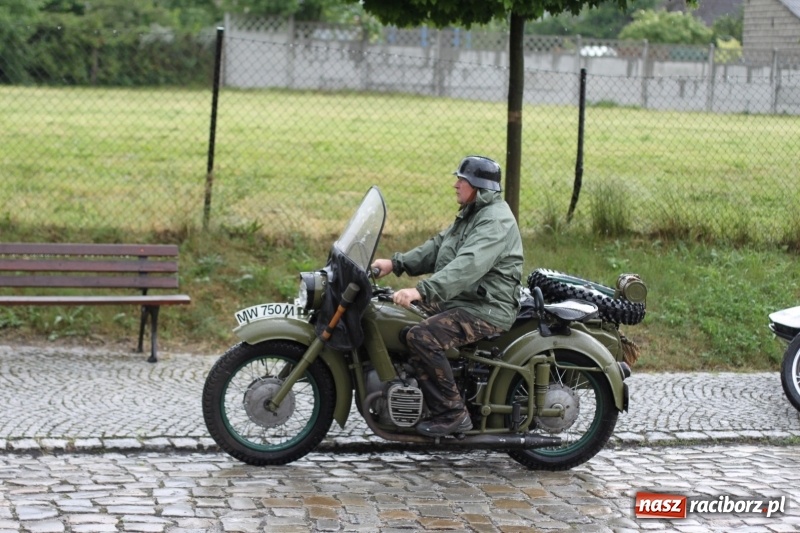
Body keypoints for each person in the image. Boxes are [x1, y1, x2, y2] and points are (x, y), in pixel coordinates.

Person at [371, 155, 524, 437]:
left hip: (486, 308)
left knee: (422, 336)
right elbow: (438, 246)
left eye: (462, 180)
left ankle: (452, 412)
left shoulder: (494, 222)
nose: (455, 185)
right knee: (393, 316)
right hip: (464, 300)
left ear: (478, 186)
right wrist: (396, 264)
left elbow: (467, 266)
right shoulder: (472, 214)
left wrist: (421, 291)